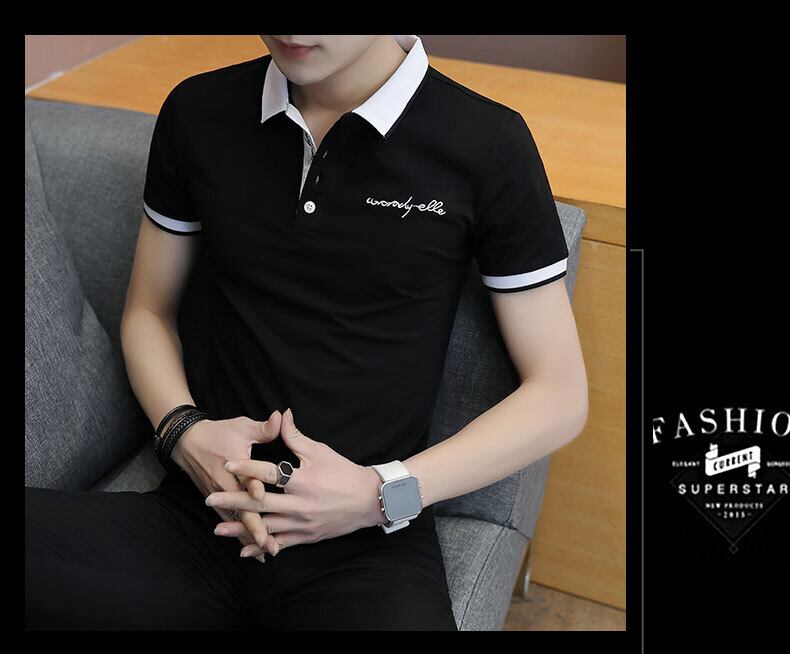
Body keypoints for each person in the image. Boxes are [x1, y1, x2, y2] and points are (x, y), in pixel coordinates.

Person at [25, 34, 589, 630]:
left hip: (364, 549)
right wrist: (184, 433)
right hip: (198, 519)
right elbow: (148, 311)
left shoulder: (488, 144)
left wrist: (379, 493)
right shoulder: (199, 110)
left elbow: (559, 393)